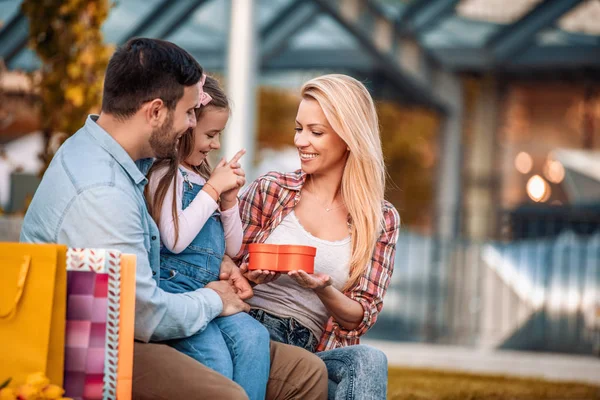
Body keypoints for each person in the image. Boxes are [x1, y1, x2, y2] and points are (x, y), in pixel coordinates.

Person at [20, 37, 327, 400]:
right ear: (155, 112)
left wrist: (222, 261)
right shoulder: (102, 192)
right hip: (94, 347)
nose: (191, 125)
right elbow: (145, 315)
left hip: (133, 322)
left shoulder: (121, 155)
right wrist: (216, 298)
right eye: (188, 112)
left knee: (307, 373)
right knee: (225, 395)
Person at [235, 74, 400, 400]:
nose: (300, 141)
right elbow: (221, 267)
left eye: (316, 132)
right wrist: (250, 277)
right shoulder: (271, 189)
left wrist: (324, 289)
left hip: (312, 350)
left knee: (369, 359)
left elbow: (360, 317)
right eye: (299, 129)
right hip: (249, 331)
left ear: (349, 137)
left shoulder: (380, 219)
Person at [144, 74, 270, 400]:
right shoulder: (164, 173)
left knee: (254, 338)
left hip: (210, 292)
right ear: (184, 127)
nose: (215, 144)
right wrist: (214, 190)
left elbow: (233, 247)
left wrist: (228, 202)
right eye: (210, 134)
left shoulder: (202, 180)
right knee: (214, 359)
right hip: (177, 294)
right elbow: (174, 239)